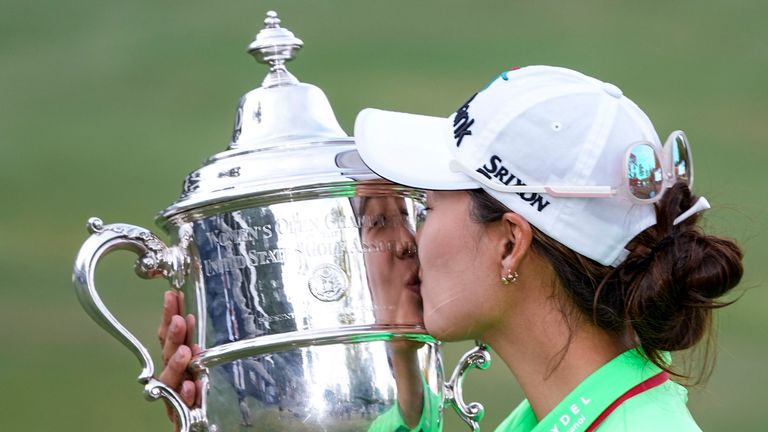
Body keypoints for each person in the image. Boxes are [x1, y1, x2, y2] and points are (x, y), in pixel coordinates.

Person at [160, 65, 743, 431]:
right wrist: (404, 373)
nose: (410, 239)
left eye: (430, 206)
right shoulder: (564, 412)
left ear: (511, 243)